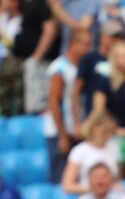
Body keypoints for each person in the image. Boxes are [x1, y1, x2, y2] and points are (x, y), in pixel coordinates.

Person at [45, 27, 90, 186]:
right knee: (60, 178)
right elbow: (54, 103)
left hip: (76, 130)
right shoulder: (60, 69)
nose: (88, 48)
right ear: (73, 44)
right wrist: (62, 135)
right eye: (84, 44)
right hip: (59, 131)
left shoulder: (83, 67)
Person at [92, 39, 125, 142]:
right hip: (112, 136)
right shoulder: (105, 82)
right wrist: (116, 130)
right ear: (115, 59)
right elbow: (99, 112)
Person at [62, 110, 122, 194]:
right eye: (105, 132)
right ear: (94, 129)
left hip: (112, 196)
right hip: (89, 197)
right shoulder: (79, 151)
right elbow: (68, 185)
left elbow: (117, 179)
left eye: (110, 132)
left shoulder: (114, 148)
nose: (108, 136)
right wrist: (93, 190)